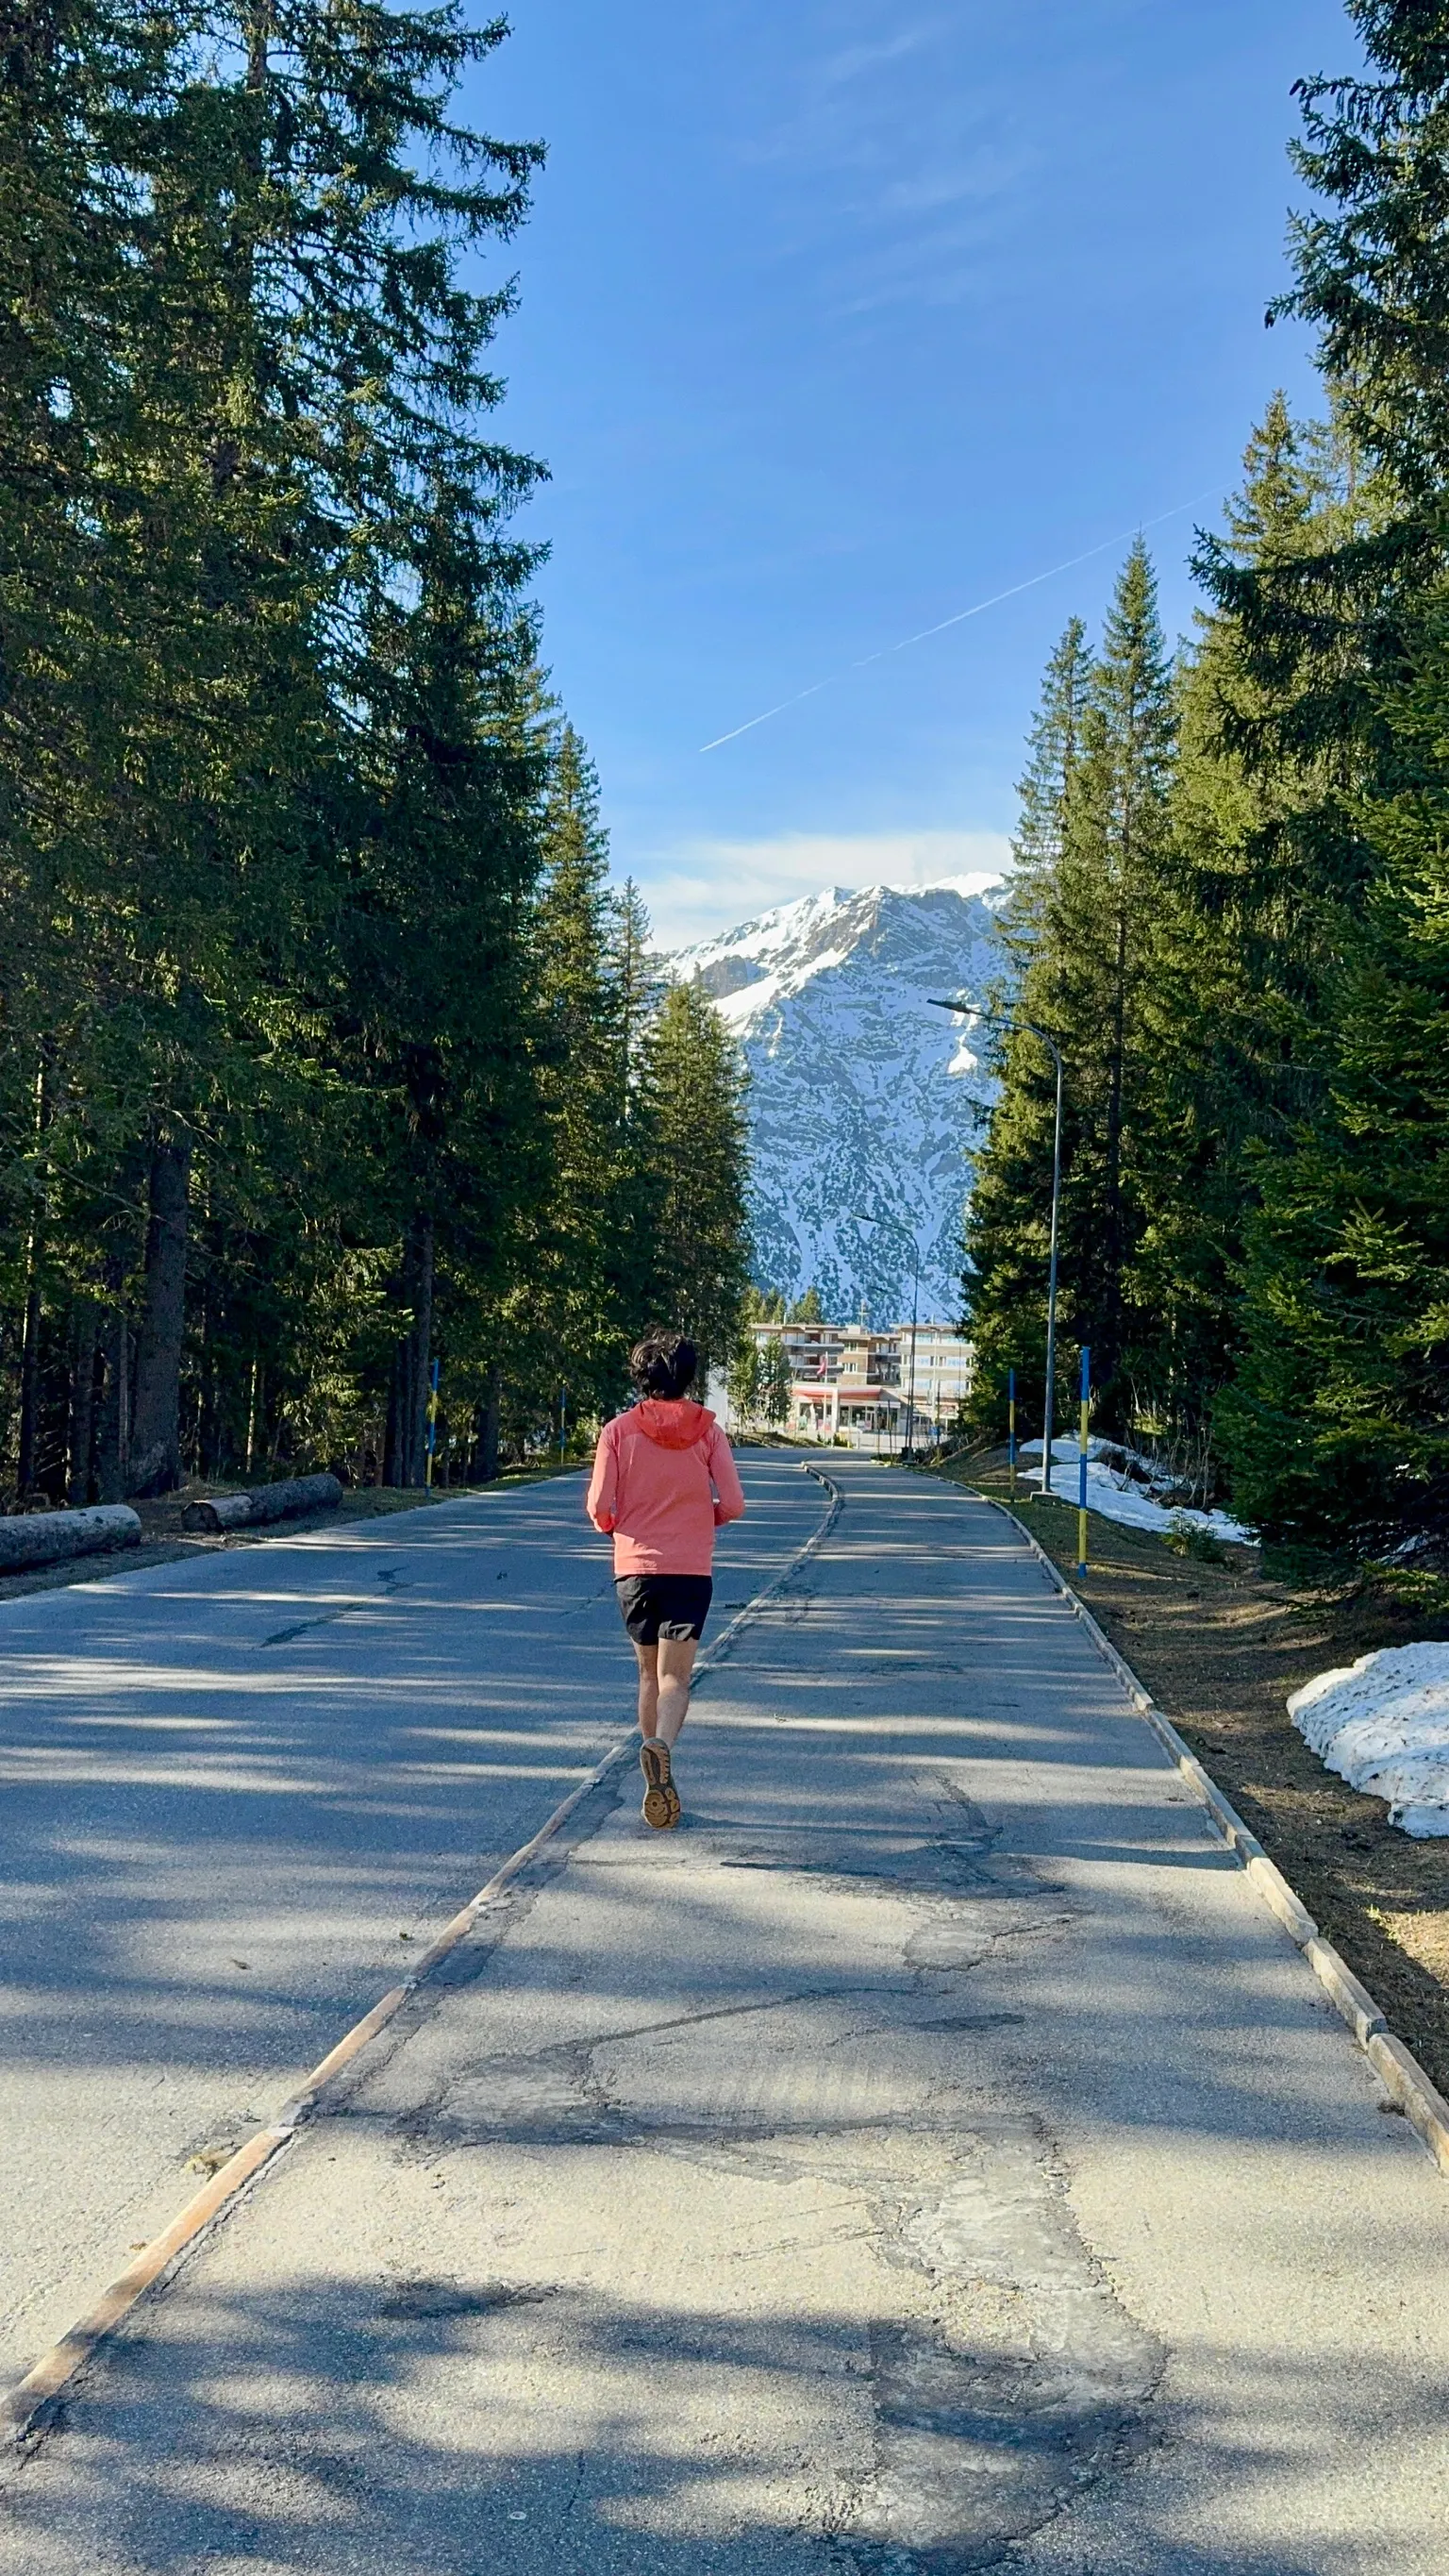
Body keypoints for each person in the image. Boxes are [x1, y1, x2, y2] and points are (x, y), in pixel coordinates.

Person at [586, 1328, 745, 1829]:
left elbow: (598, 1507)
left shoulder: (616, 1432)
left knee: (647, 1674)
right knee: (677, 1677)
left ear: (641, 1378)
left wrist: (615, 1528)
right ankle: (661, 1747)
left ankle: (652, 1767)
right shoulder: (709, 1432)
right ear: (688, 1377)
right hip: (690, 1568)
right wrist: (707, 1517)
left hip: (634, 1571)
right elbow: (735, 1503)